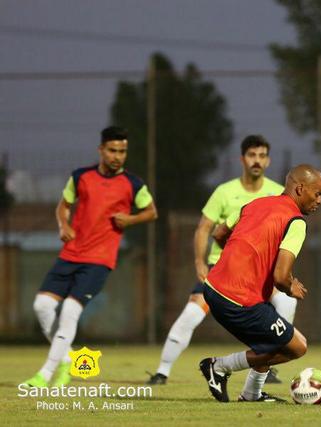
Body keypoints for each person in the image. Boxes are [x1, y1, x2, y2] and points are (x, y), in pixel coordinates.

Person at [147, 135, 295, 385]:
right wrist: (199, 262)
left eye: (261, 156)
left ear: (268, 161)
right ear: (242, 159)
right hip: (223, 269)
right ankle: (162, 372)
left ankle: (269, 362)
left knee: (286, 300)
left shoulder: (275, 193)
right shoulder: (225, 192)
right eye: (251, 155)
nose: (256, 160)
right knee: (192, 313)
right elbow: (204, 228)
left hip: (260, 271)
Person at [22, 126, 158, 387]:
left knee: (70, 311)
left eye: (122, 151)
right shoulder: (81, 176)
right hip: (71, 253)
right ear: (101, 150)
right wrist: (63, 225)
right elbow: (63, 206)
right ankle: (67, 360)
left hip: (100, 259)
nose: (118, 156)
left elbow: (151, 212)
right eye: (112, 150)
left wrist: (130, 219)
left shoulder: (133, 183)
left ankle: (46, 374)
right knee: (42, 306)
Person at [198, 164, 321, 403]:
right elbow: (280, 275)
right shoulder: (296, 222)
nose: (320, 200)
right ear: (300, 189)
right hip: (239, 299)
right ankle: (219, 366)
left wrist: (242, 260)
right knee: (296, 347)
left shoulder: (254, 204)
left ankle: (251, 394)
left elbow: (219, 233)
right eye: (317, 193)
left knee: (269, 341)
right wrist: (291, 286)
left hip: (213, 288)